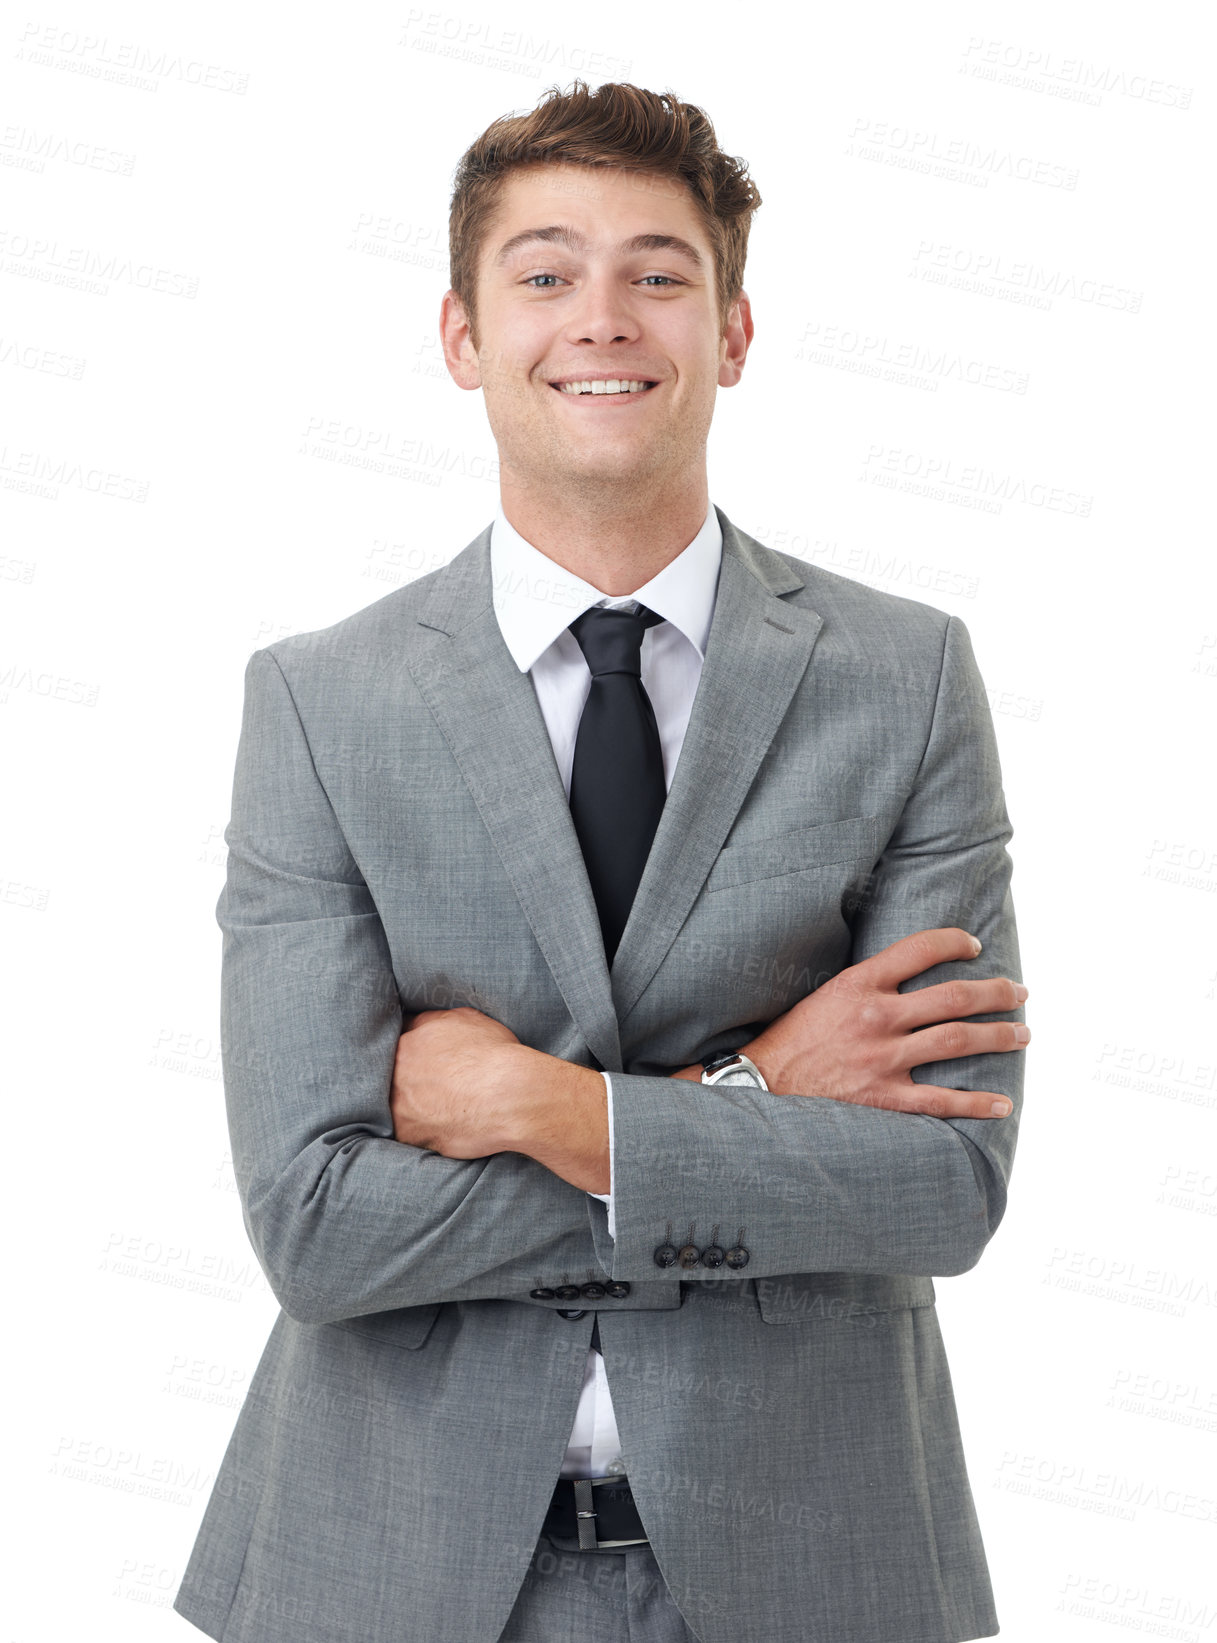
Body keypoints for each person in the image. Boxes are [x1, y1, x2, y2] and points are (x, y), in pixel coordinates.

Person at [174, 79, 1028, 1643]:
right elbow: (314, 1225)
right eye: (545, 272)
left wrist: (539, 1111)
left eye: (657, 271)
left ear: (734, 332)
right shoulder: (318, 701)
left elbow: (940, 1190)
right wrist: (750, 1098)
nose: (603, 318)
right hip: (383, 1566)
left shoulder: (900, 678)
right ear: (460, 336)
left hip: (817, 1559)